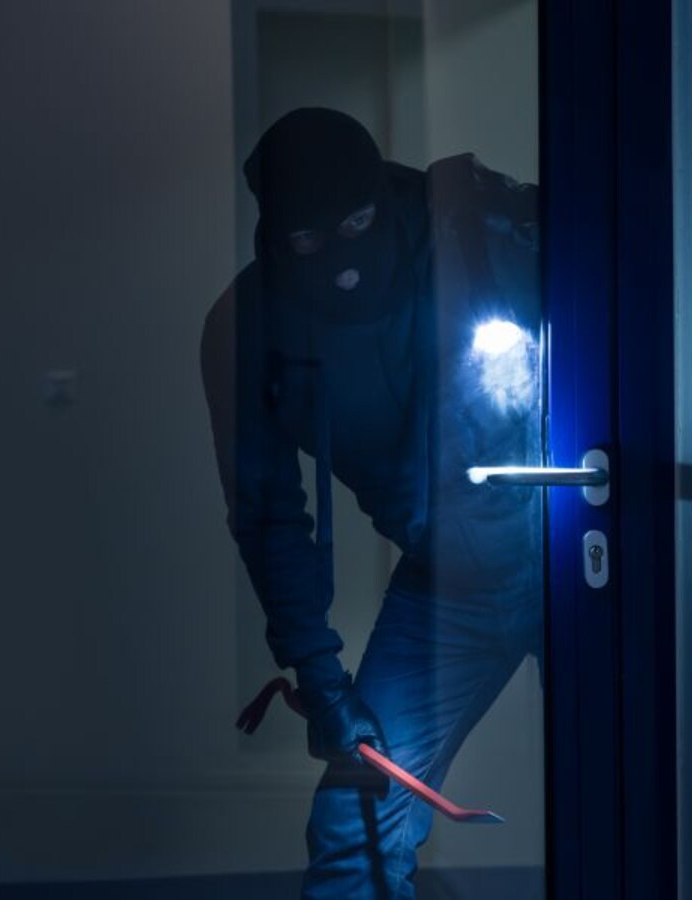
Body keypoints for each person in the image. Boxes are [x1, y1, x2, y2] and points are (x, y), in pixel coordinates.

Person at [201, 107, 543, 899]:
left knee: (637, 784)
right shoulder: (248, 331)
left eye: (358, 224)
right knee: (353, 827)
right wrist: (320, 679)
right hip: (448, 588)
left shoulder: (480, 233)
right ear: (276, 235)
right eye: (310, 241)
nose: (343, 260)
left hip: (578, 555)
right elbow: (267, 516)